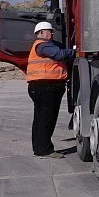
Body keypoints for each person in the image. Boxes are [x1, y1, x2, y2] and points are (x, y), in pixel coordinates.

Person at [26, 21, 74, 158]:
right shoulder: (43, 45)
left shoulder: (43, 45)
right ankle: (45, 149)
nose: (52, 34)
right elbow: (59, 55)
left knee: (41, 119)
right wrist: (76, 52)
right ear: (41, 32)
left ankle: (39, 148)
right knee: (47, 119)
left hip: (43, 86)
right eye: (50, 31)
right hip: (45, 87)